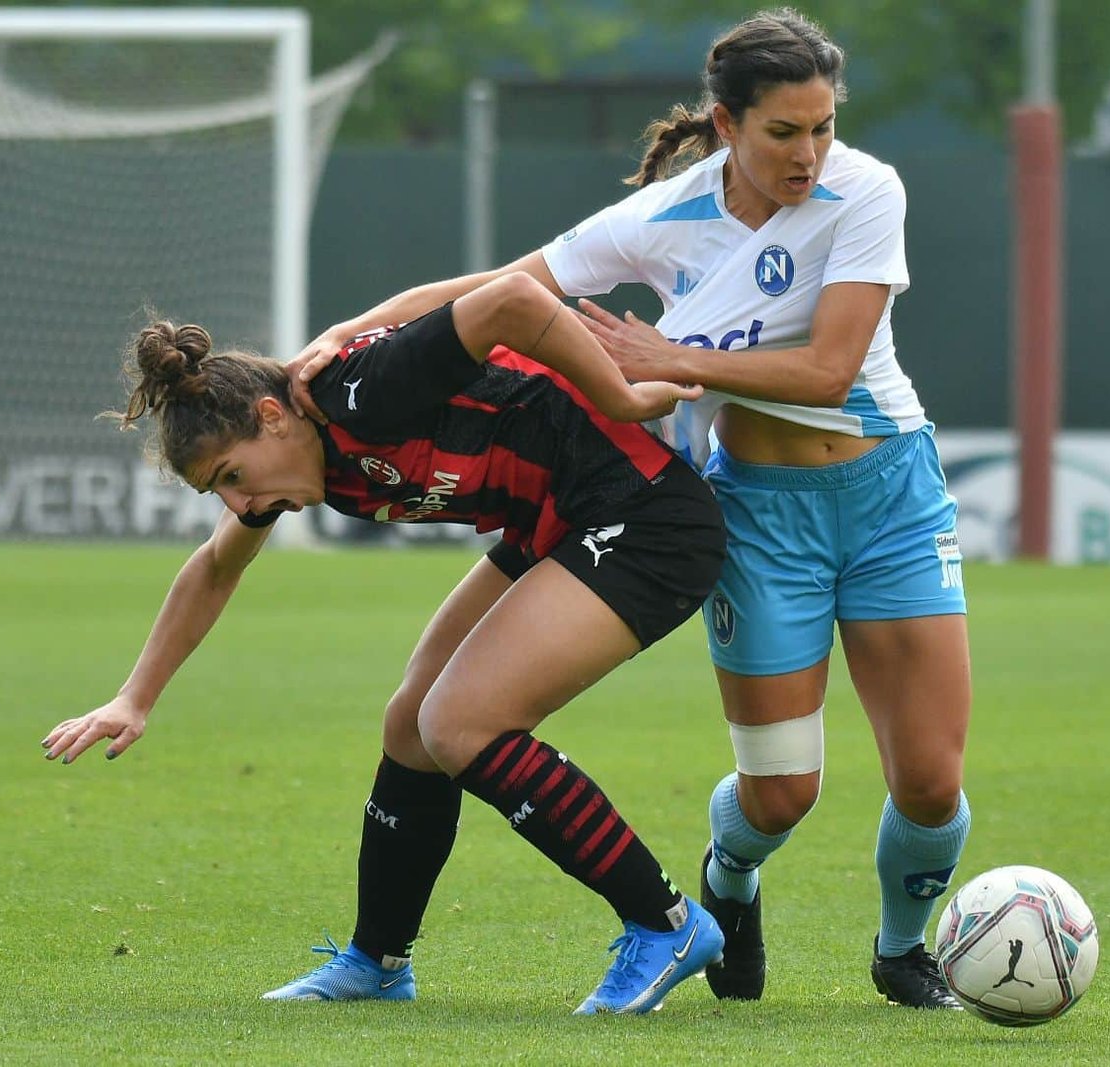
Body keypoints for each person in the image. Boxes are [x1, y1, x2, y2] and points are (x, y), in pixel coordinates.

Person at [290, 8, 972, 1010]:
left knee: (926, 779)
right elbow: (501, 287)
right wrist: (354, 326)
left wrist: (671, 357)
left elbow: (830, 371)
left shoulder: (864, 190)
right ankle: (727, 883)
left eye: (822, 126)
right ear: (726, 124)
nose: (809, 152)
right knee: (781, 793)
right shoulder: (663, 217)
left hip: (890, 498)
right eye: (783, 131)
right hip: (759, 518)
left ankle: (901, 950)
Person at [39, 272, 730, 1015]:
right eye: (221, 492)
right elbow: (214, 567)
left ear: (272, 415)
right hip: (559, 521)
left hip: (647, 518)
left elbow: (517, 299)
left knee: (458, 721)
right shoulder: (301, 456)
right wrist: (135, 697)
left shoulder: (359, 389)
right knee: (413, 727)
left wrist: (624, 398)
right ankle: (378, 961)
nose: (240, 505)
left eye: (233, 476)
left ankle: (668, 924)